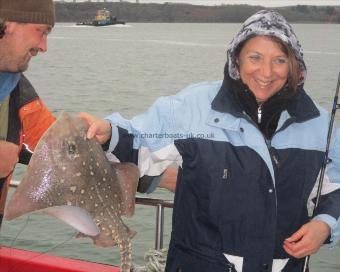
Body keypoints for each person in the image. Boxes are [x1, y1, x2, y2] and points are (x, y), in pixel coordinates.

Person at [80, 10, 340, 272]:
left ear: (294, 65)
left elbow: (335, 186)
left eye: (280, 60)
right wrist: (110, 134)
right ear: (236, 59)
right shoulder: (194, 108)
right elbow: (142, 142)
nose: (266, 71)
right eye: (255, 57)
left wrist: (325, 223)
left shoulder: (318, 124)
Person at [0, 0, 56, 226]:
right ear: (8, 23)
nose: (43, 46)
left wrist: (153, 176)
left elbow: (60, 149)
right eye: (40, 31)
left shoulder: (18, 95)